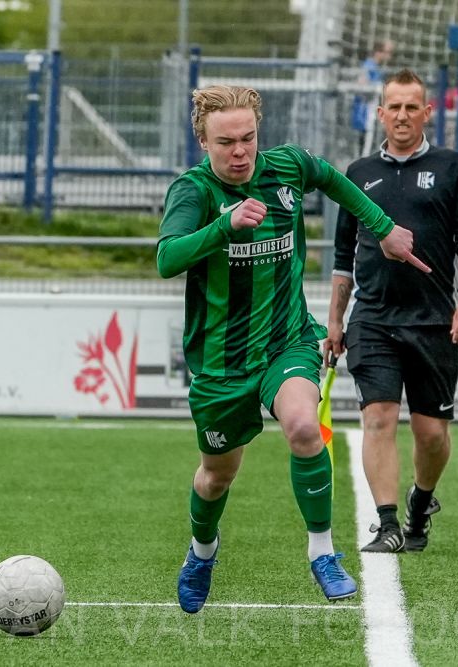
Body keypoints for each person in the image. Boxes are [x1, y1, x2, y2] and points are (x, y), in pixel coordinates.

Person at [158, 84, 430, 613]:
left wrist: (382, 228)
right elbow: (167, 258)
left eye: (248, 138)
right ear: (203, 142)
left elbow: (332, 178)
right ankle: (202, 552)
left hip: (287, 341)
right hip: (221, 363)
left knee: (305, 427)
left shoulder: (286, 167)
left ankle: (322, 553)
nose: (241, 152)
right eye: (226, 143)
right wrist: (224, 226)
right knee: (215, 477)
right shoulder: (192, 192)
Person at [325, 68, 458, 554]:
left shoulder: (453, 166)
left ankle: (421, 500)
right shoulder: (357, 174)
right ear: (380, 113)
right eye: (393, 106)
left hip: (434, 320)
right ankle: (388, 523)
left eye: (411, 106)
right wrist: (334, 321)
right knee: (378, 418)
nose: (401, 115)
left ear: (427, 112)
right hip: (372, 318)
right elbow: (343, 256)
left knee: (431, 434)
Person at [350, 39, 394, 156]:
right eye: (388, 52)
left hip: (371, 112)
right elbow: (362, 84)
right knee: (364, 145)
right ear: (379, 52)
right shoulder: (369, 66)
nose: (390, 56)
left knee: (369, 143)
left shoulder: (377, 68)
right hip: (364, 112)